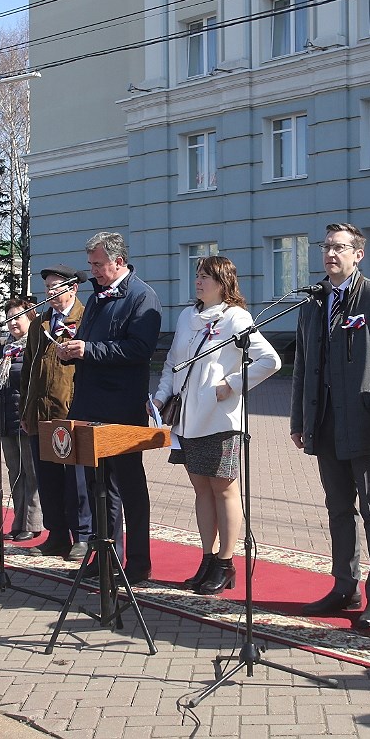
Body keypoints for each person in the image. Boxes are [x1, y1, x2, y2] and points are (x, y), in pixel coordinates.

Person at [290, 222, 370, 630]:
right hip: (324, 423)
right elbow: (302, 367)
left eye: (340, 247)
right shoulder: (313, 302)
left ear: (358, 254)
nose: (330, 254)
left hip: (366, 423)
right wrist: (299, 420)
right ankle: (345, 587)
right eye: (326, 247)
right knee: (337, 508)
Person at [152, 255, 281, 595]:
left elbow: (270, 360)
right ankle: (207, 558)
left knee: (224, 488)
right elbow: (173, 362)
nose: (198, 280)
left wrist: (233, 383)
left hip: (220, 420)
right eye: (197, 274)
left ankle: (226, 562)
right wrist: (162, 396)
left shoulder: (236, 318)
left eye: (206, 275)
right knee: (201, 490)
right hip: (188, 421)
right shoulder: (186, 316)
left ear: (223, 282)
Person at [57, 232, 162, 584]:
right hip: (89, 406)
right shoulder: (97, 297)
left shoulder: (142, 297)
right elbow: (91, 345)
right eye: (91, 265)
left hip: (122, 409)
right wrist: (70, 350)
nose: (93, 271)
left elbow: (139, 350)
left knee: (129, 486)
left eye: (98, 264)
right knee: (98, 488)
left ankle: (138, 561)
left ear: (118, 262)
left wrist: (89, 350)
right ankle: (104, 555)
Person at [19, 264, 92, 561]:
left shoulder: (86, 318)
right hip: (42, 414)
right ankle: (58, 535)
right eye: (47, 288)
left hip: (72, 413)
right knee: (48, 479)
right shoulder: (40, 324)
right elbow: (29, 369)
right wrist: (25, 409)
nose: (50, 293)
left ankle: (83, 536)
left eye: (56, 287)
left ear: (73, 288)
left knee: (77, 481)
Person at [0, 298, 43, 542]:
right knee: (14, 472)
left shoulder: (36, 346)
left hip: (27, 419)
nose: (12, 322)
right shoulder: (3, 350)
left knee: (32, 472)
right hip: (6, 419)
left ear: (30, 318)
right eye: (8, 317)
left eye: (17, 316)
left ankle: (33, 522)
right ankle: (18, 520)